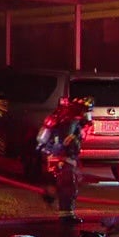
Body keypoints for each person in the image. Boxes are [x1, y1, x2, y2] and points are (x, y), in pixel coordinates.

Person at [35, 96, 94, 224]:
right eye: (88, 111)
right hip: (64, 157)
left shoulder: (61, 117)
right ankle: (67, 216)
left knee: (60, 184)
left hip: (51, 155)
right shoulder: (72, 121)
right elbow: (68, 141)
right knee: (69, 187)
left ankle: (50, 196)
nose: (89, 115)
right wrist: (70, 155)